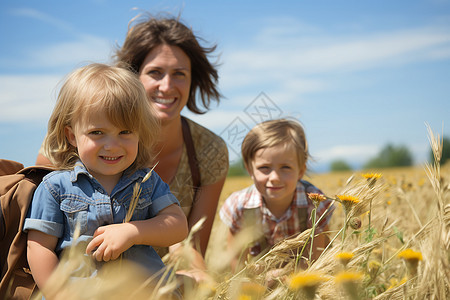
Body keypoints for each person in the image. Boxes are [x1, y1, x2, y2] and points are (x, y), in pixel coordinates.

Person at [36, 15, 229, 266]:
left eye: (179, 74)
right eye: (155, 73)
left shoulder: (209, 149)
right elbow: (40, 239)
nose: (167, 86)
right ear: (132, 77)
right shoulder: (63, 145)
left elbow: (192, 246)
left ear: (193, 81)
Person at [25, 63, 188, 297]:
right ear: (72, 135)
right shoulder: (55, 187)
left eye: (125, 132)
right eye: (97, 133)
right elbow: (39, 247)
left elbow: (178, 225)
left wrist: (133, 232)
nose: (112, 145)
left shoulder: (146, 181)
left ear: (139, 133)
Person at [219, 119, 334, 272]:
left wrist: (287, 278)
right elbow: (238, 267)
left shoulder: (313, 203)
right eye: (264, 167)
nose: (274, 177)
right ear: (250, 169)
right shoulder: (239, 206)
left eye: (285, 167)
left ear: (300, 170)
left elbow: (316, 259)